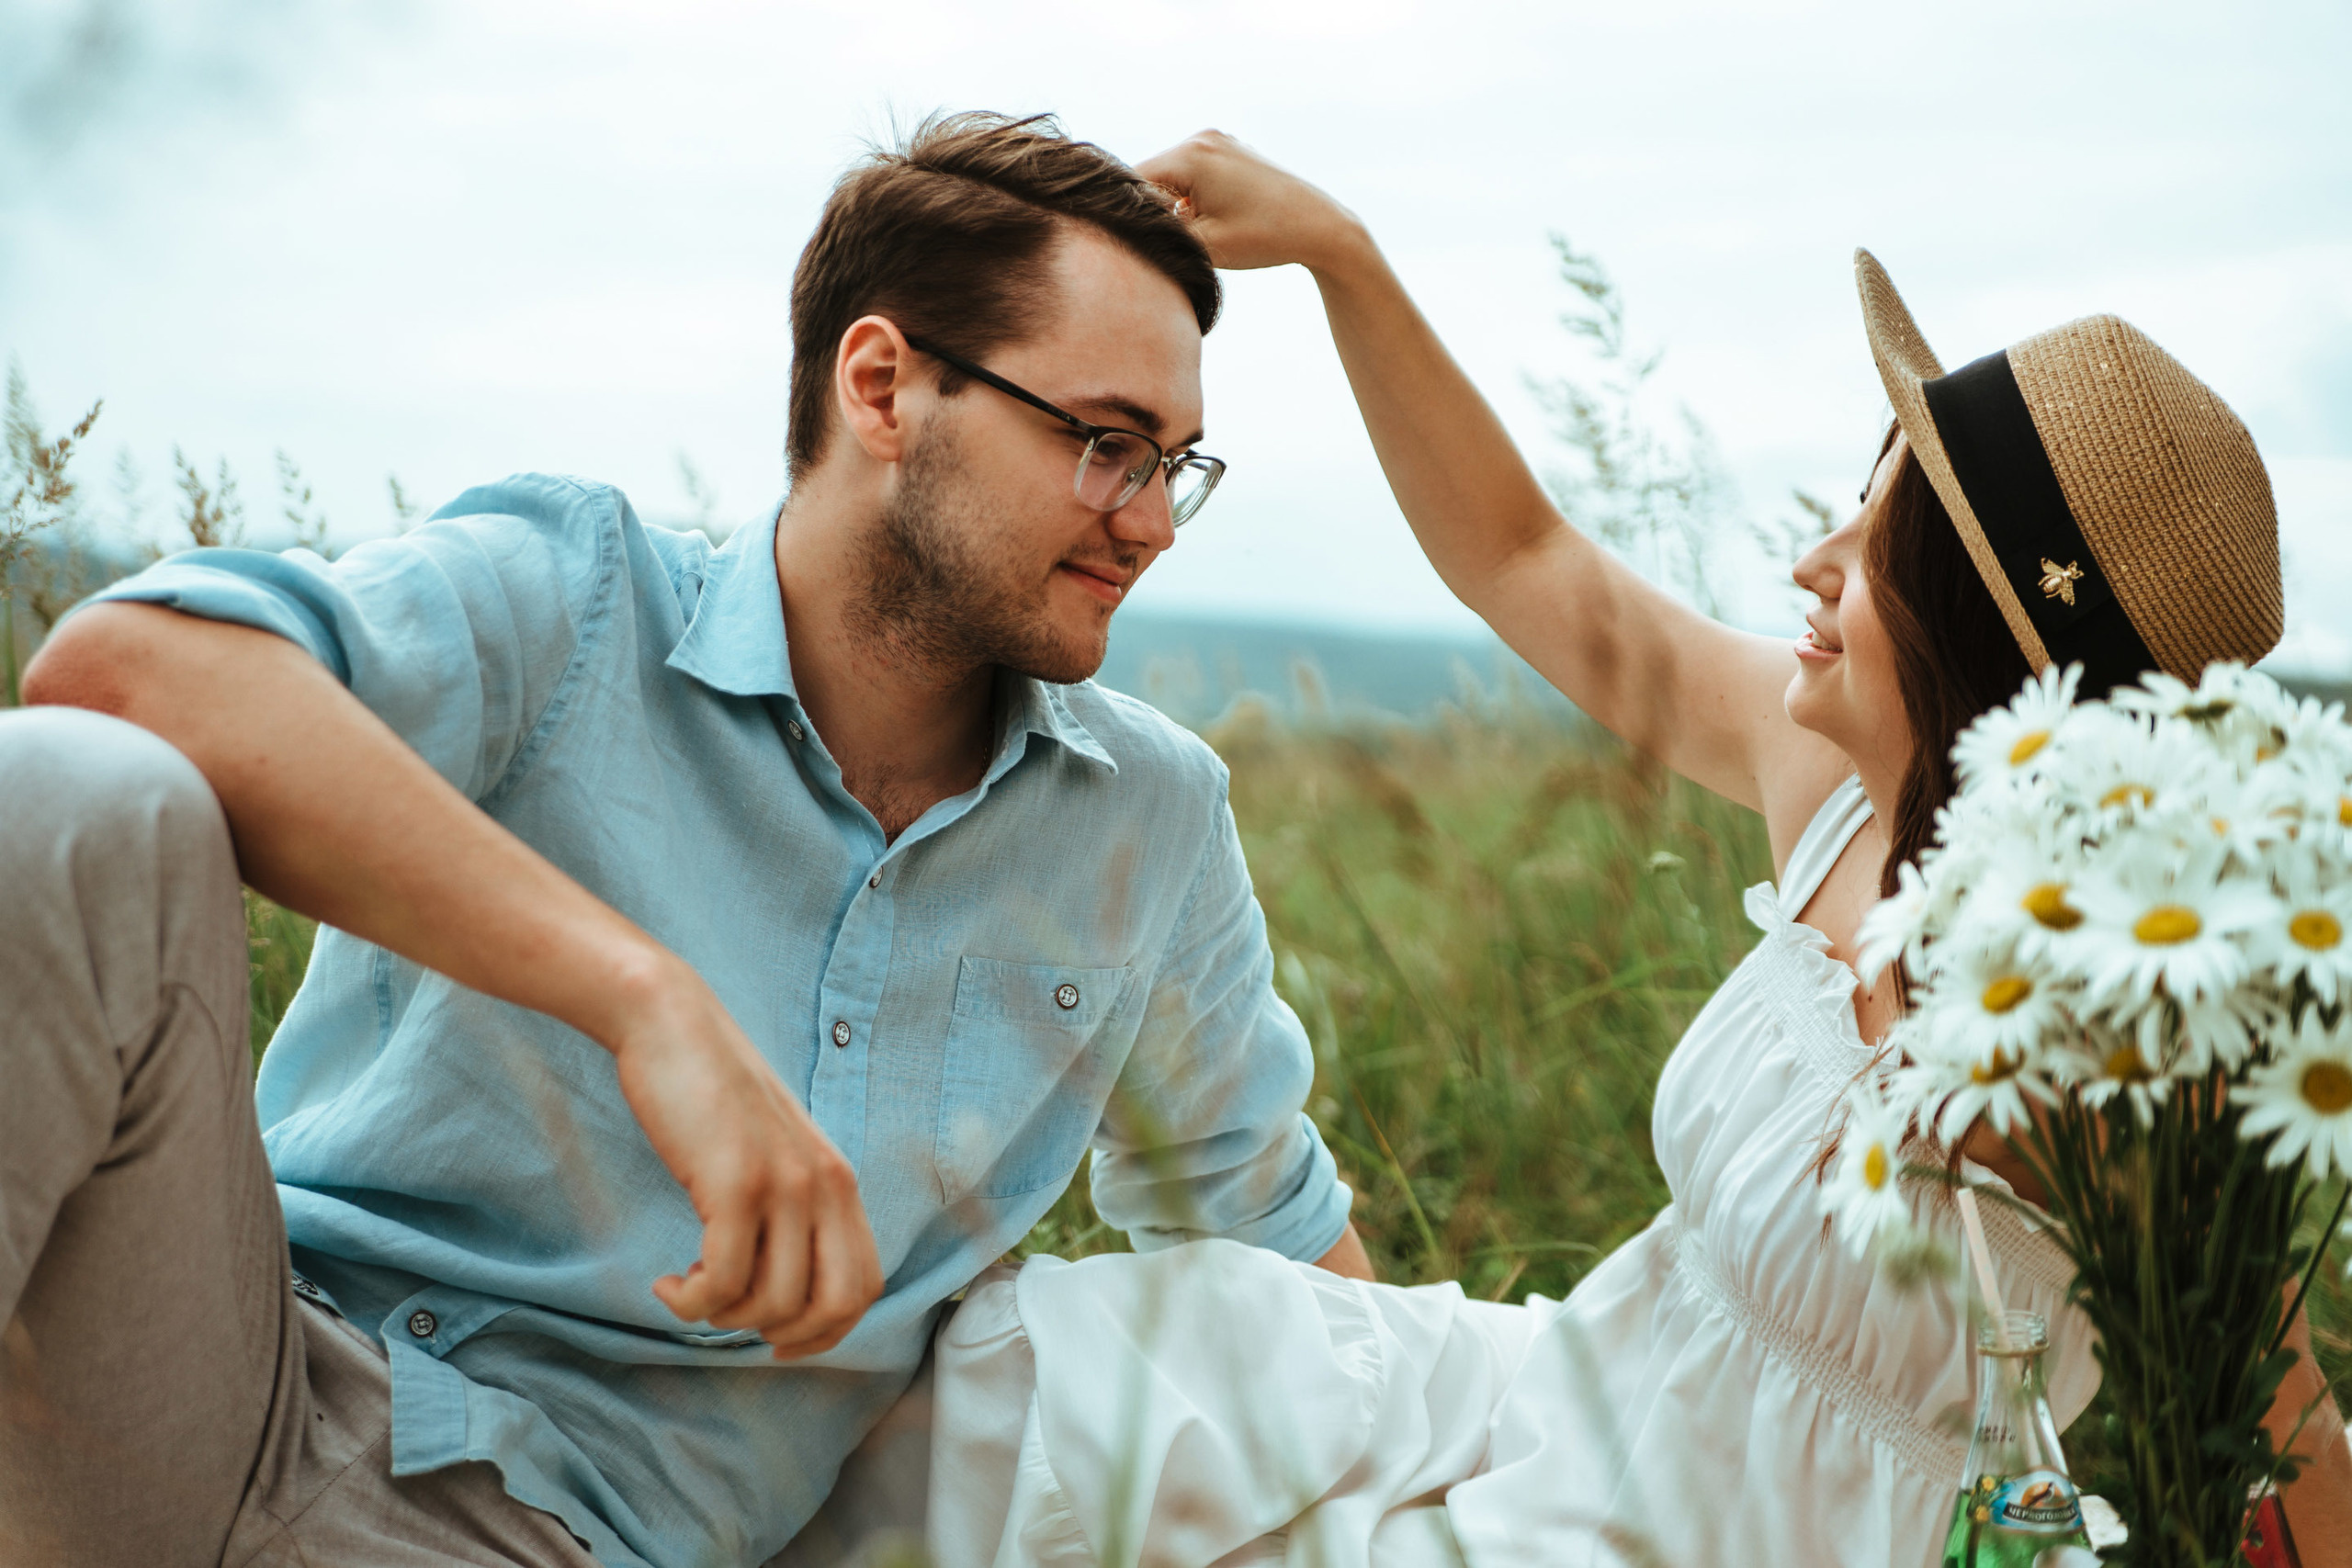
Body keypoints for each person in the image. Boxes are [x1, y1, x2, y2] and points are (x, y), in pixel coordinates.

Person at [841, 133, 2352, 1567]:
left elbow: (2282, 1421)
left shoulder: (2120, 1022)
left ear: (1972, 630)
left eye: (1876, 538)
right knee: (1077, 1370)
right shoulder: (1825, 772)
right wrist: (1341, 259)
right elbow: (1525, 555)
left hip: (1729, 1540)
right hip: (1562, 1396)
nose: (1811, 561)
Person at [0, 112, 1371, 1568]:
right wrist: (642, 1001)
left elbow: (1282, 1251)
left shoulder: (1146, 821)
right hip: (226, 1376)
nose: (1151, 521)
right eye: (1104, 445)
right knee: (73, 799)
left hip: (573, 1538)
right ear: (884, 385)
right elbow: (123, 676)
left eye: (1176, 464)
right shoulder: (575, 600)